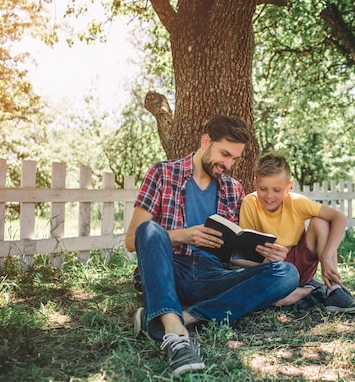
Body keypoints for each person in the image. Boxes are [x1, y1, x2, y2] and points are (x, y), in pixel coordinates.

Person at [125, 116, 299, 375]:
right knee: (149, 229)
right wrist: (183, 236)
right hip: (170, 270)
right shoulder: (162, 173)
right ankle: (177, 336)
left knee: (287, 273)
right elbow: (132, 240)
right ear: (206, 141)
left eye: (234, 159)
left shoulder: (233, 188)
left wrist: (264, 258)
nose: (228, 164)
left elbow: (233, 254)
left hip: (213, 276)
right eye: (225, 154)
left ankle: (182, 316)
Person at [239, 152, 355, 313]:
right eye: (263, 189)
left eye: (277, 190)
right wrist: (264, 261)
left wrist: (327, 257)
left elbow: (339, 218)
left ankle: (334, 289)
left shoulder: (297, 202)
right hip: (271, 268)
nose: (269, 196)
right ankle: (313, 291)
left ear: (288, 187)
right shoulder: (250, 203)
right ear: (255, 183)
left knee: (320, 222)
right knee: (277, 300)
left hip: (299, 261)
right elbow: (242, 257)